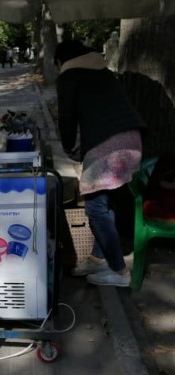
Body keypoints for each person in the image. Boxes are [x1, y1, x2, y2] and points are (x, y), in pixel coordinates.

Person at [54, 40, 146, 287]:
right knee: (105, 201)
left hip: (108, 145)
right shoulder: (102, 72)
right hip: (132, 139)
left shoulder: (69, 76)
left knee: (95, 207)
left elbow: (66, 119)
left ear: (60, 62)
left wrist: (70, 149)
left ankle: (119, 271)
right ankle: (97, 258)